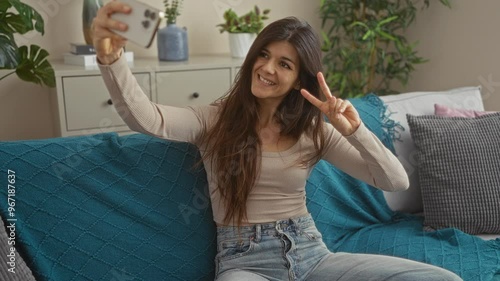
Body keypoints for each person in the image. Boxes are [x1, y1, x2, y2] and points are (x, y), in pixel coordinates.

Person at [92, 2, 463, 280]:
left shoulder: (313, 131)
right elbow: (144, 117)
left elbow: (394, 181)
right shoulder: (213, 120)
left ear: (299, 79)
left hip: (311, 253)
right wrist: (111, 58)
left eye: (284, 64)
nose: (268, 68)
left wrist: (355, 130)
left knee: (439, 278)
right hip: (244, 262)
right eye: (265, 55)